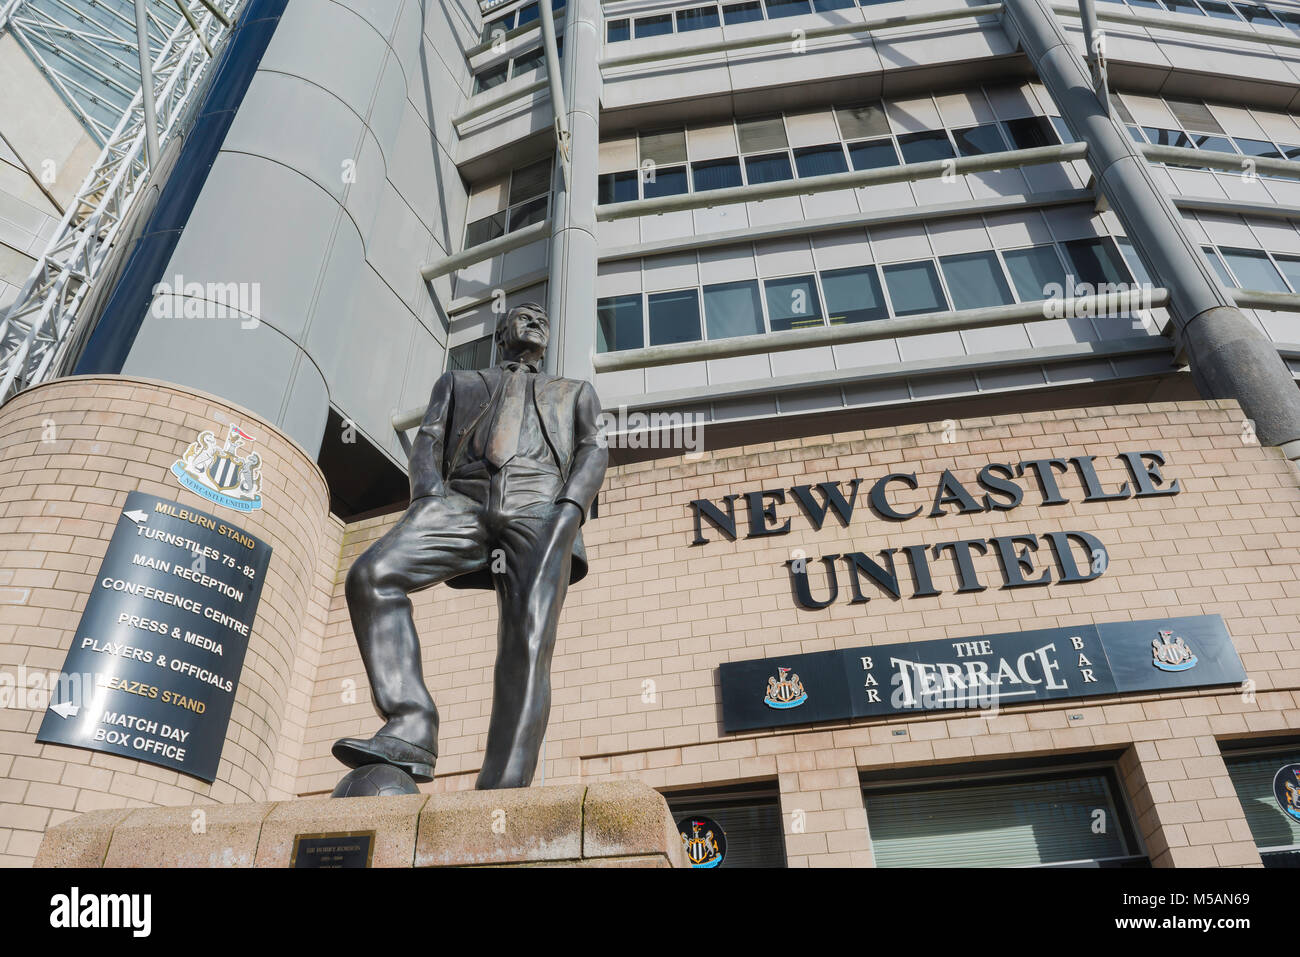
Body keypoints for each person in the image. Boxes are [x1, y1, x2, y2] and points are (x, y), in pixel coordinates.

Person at [333, 302, 607, 789]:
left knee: (527, 640)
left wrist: (570, 510)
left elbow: (593, 449)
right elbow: (429, 439)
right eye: (524, 316)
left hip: (539, 505)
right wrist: (428, 498)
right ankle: (411, 723)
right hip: (460, 502)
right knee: (371, 575)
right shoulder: (458, 382)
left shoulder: (574, 392)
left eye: (543, 319)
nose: (536, 323)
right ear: (501, 334)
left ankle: (500, 792)